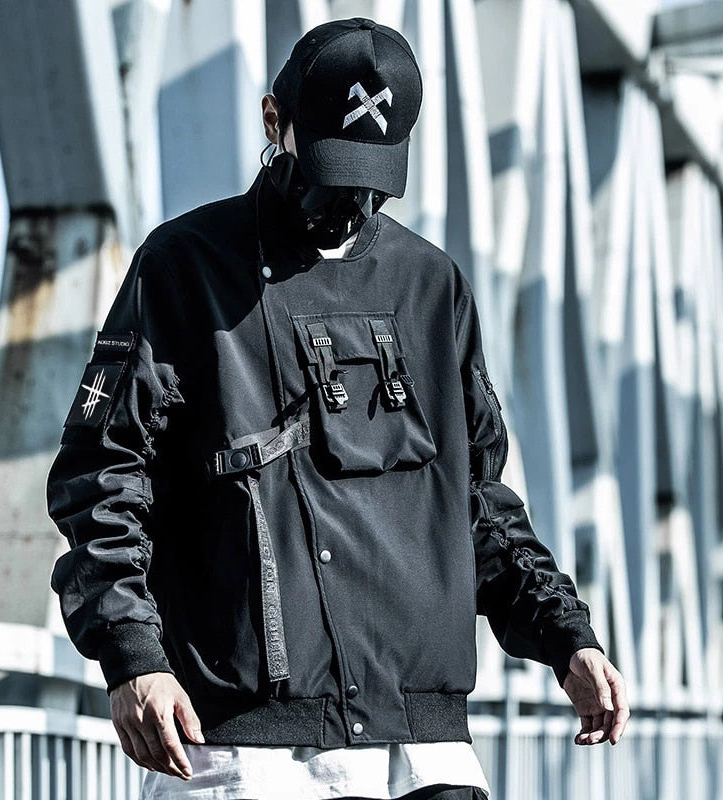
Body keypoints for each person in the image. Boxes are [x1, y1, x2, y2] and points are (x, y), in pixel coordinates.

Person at [47, 17, 629, 800]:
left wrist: (567, 637)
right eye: (331, 166)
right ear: (273, 121)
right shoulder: (184, 267)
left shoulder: (433, 287)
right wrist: (133, 656)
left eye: (373, 175)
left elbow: (478, 504)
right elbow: (101, 475)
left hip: (424, 753)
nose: (350, 197)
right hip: (246, 752)